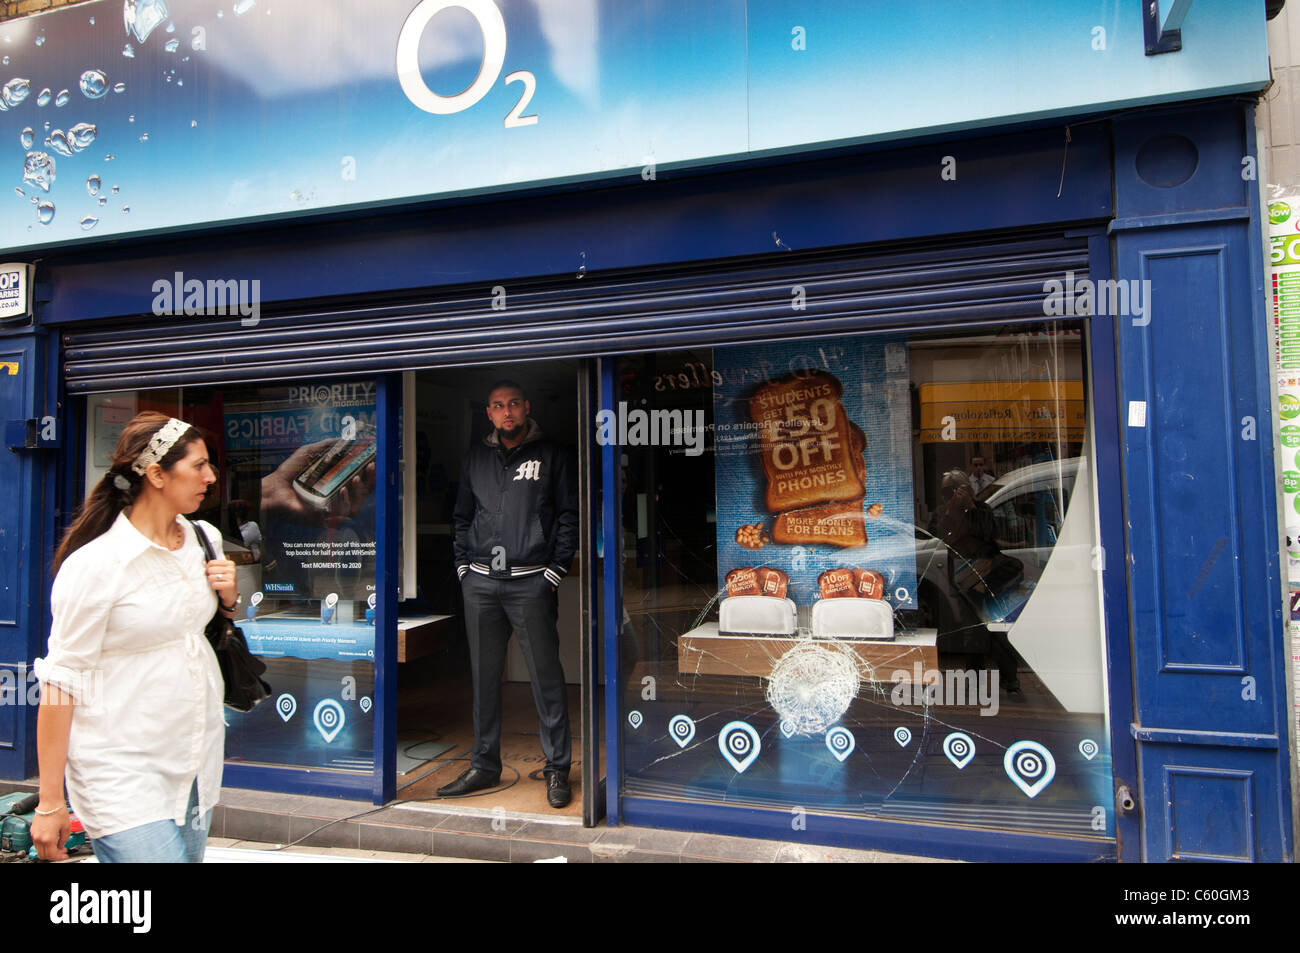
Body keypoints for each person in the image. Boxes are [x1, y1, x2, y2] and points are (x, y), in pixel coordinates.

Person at [30, 413, 237, 862]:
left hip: (194, 760)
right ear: (158, 474)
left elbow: (197, 626)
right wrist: (50, 802)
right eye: (199, 465)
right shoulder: (97, 565)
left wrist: (229, 599)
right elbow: (60, 683)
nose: (211, 476)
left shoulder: (204, 538)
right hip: (121, 767)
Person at [440, 380, 579, 808]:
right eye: (498, 406)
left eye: (514, 404)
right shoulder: (476, 458)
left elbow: (571, 515)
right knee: (484, 678)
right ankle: (485, 765)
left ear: (526, 407)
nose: (507, 413)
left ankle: (557, 769)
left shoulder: (552, 455)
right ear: (489, 413)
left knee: (546, 678)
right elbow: (461, 516)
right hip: (480, 584)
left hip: (531, 581)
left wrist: (554, 571)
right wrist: (464, 568)